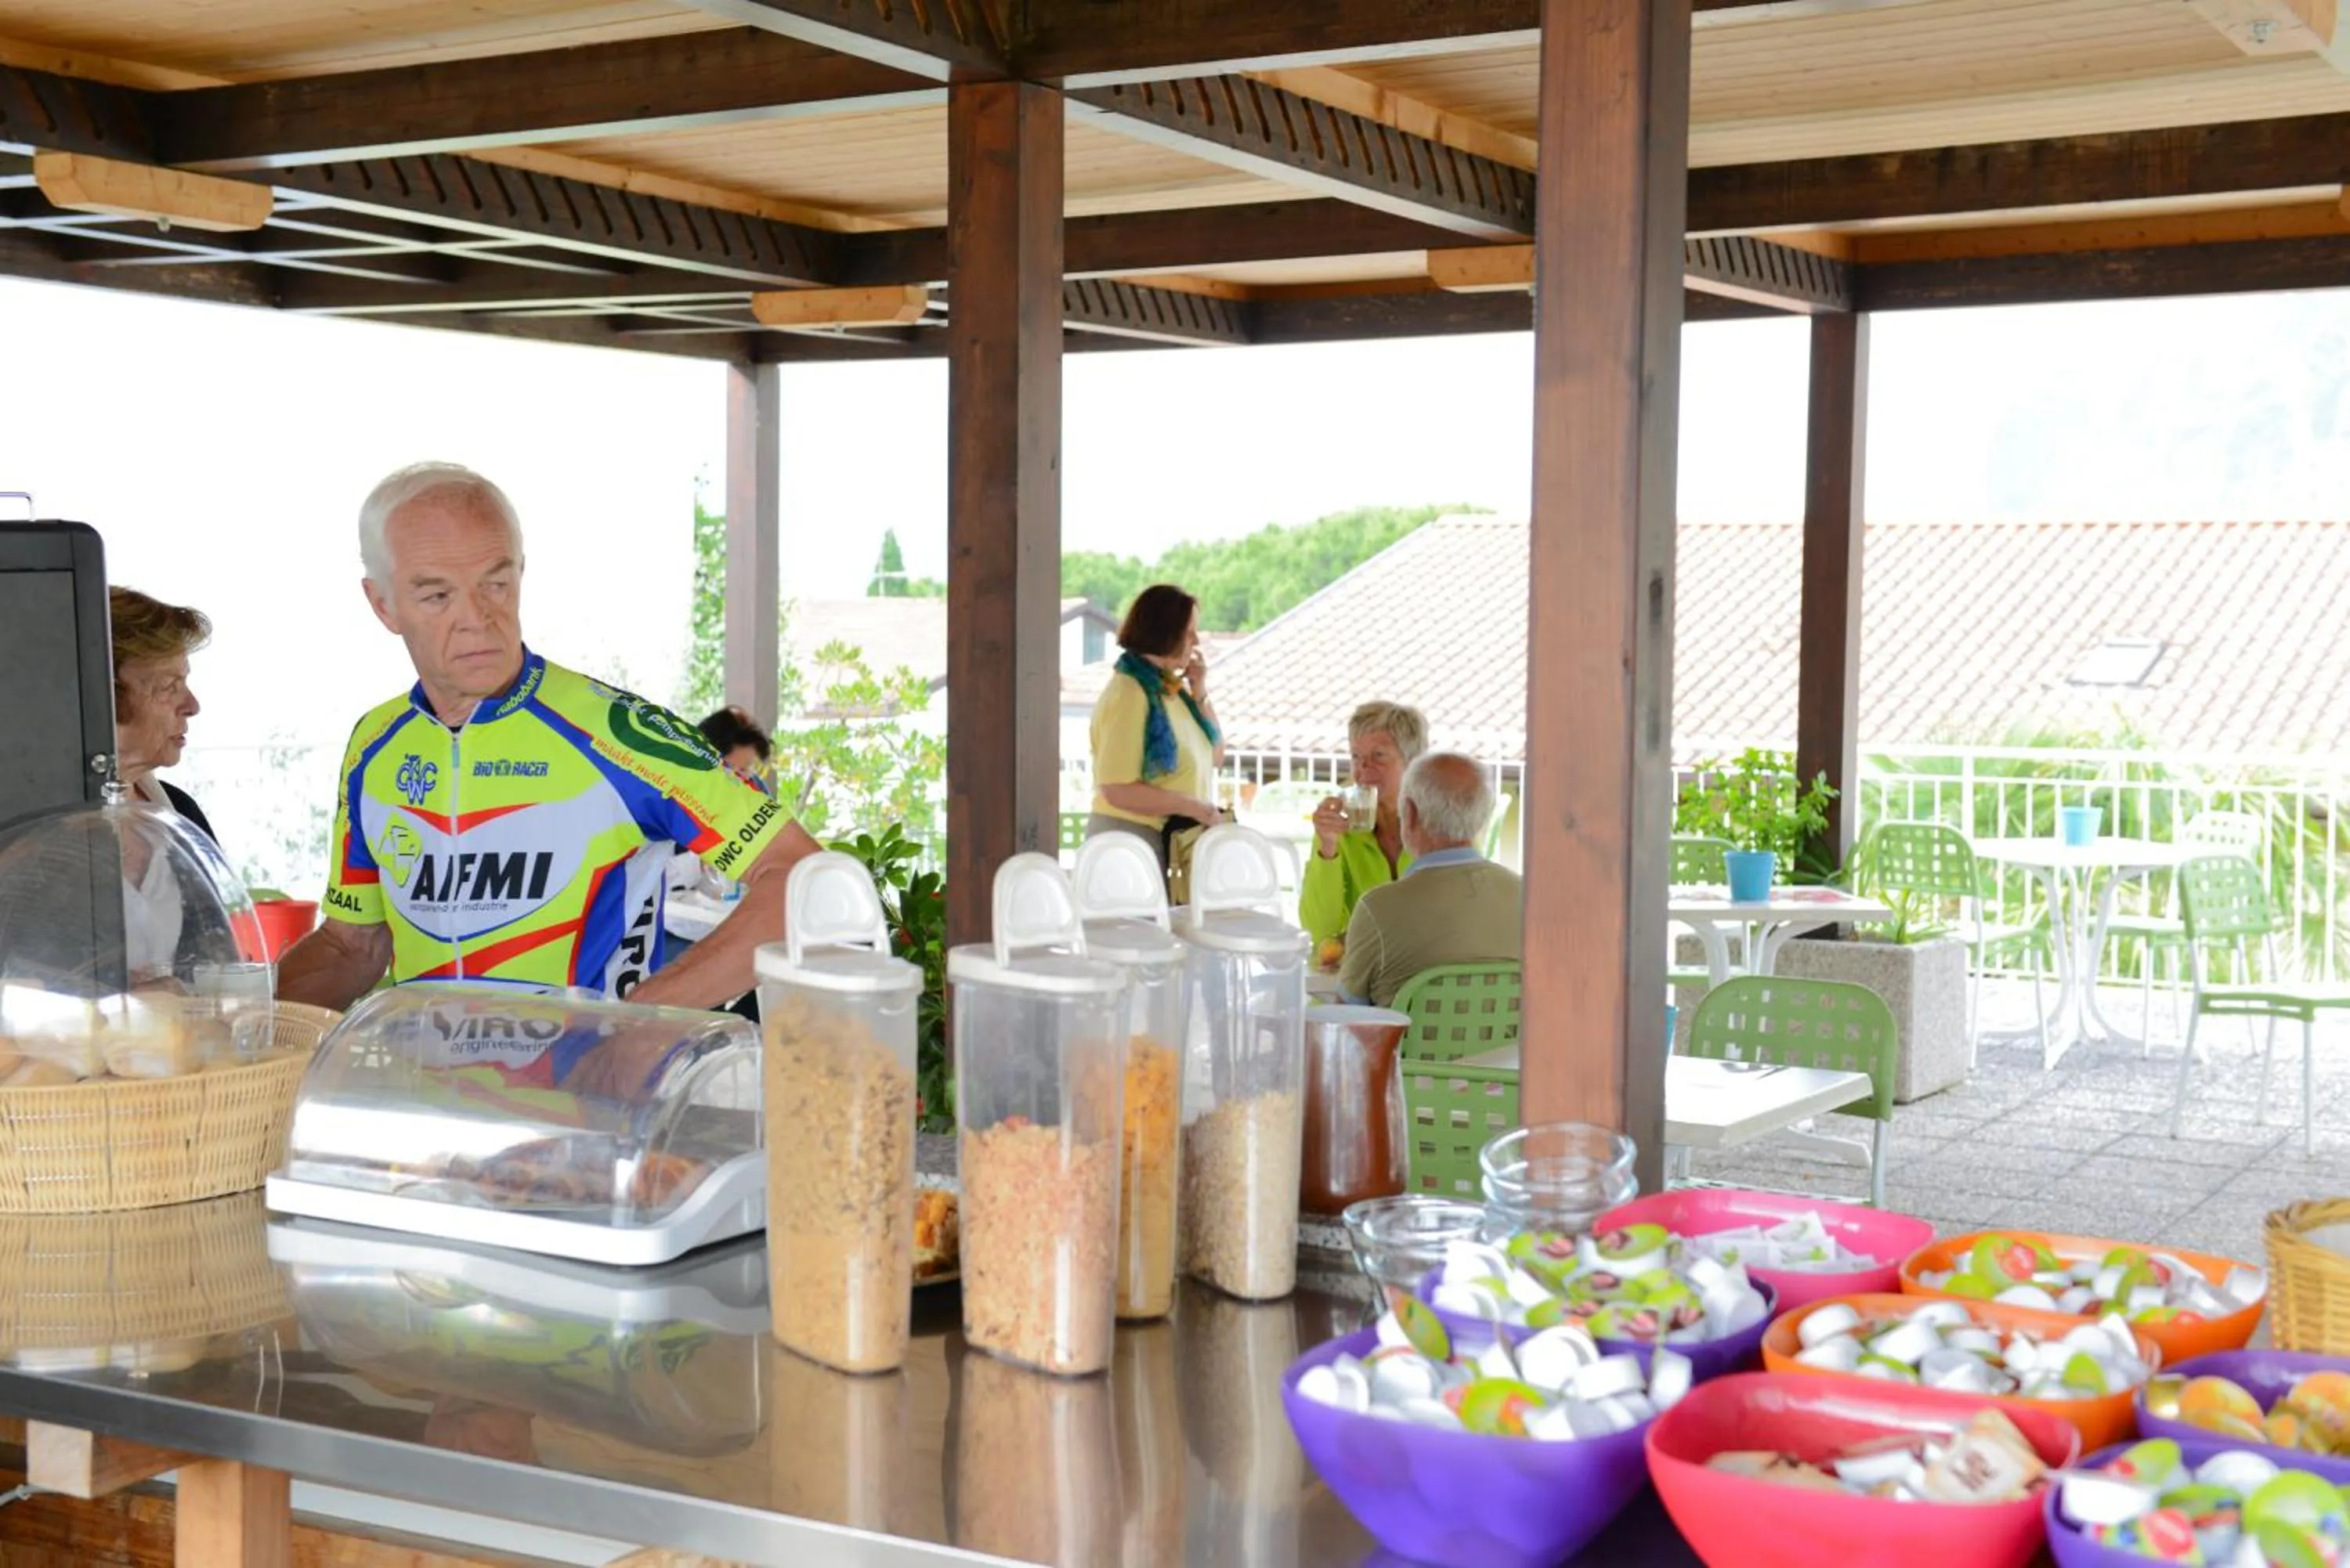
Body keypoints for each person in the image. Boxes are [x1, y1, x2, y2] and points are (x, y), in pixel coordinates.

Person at [277, 462, 821, 1021]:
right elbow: (352, 945)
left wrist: (638, 1022)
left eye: (496, 582)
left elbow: (803, 881)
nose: (477, 619)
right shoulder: (376, 745)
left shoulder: (616, 731)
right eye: (437, 596)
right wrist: (234, 1024)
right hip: (432, 1103)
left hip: (591, 1104)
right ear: (383, 604)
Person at [1336, 752, 1521, 1010]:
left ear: (1410, 813)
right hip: (1508, 1051)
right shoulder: (1528, 900)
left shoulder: (1378, 909)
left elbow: (1346, 1017)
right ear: (1482, 817)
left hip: (1404, 1051)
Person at [1086, 583, 1224, 879]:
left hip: (1161, 840)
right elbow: (1116, 788)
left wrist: (1199, 690)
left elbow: (1215, 755)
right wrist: (1195, 807)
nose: (1196, 641)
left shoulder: (1169, 691)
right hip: (1127, 844)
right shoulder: (1130, 691)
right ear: (1166, 633)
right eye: (1189, 632)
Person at [1300, 700, 1428, 949]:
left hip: (1428, 973)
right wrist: (1328, 848)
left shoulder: (1440, 825)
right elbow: (1320, 932)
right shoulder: (1340, 828)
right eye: (1356, 756)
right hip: (1367, 973)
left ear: (1412, 763)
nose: (1362, 768)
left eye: (1378, 755)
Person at [110, 587, 216, 845]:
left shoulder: (183, 814)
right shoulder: (33, 834)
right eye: (170, 686)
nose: (193, 706)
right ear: (106, 696)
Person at [697, 706, 774, 793]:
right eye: (729, 768)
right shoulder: (684, 791)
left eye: (745, 769)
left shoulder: (757, 788)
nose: (742, 779)